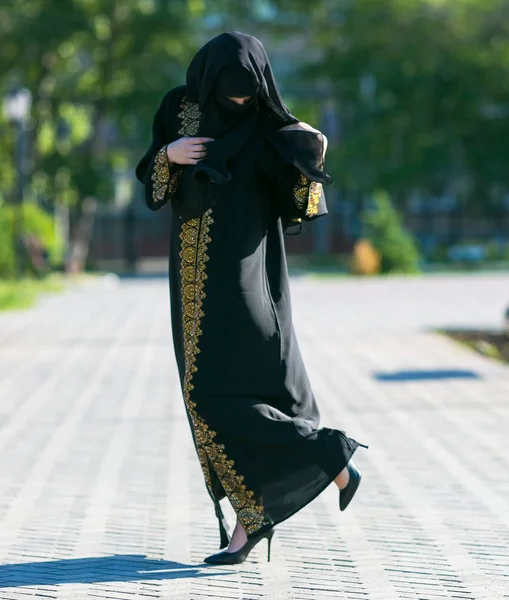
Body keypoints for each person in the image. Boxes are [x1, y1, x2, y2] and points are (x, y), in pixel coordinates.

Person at [135, 31, 368, 566]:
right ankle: (251, 524)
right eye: (229, 93)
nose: (238, 102)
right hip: (190, 282)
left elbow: (302, 205)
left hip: (244, 282)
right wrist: (169, 154)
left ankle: (327, 453)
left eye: (247, 93)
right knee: (214, 396)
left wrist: (314, 153)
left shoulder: (267, 127)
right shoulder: (180, 108)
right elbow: (153, 187)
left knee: (213, 397)